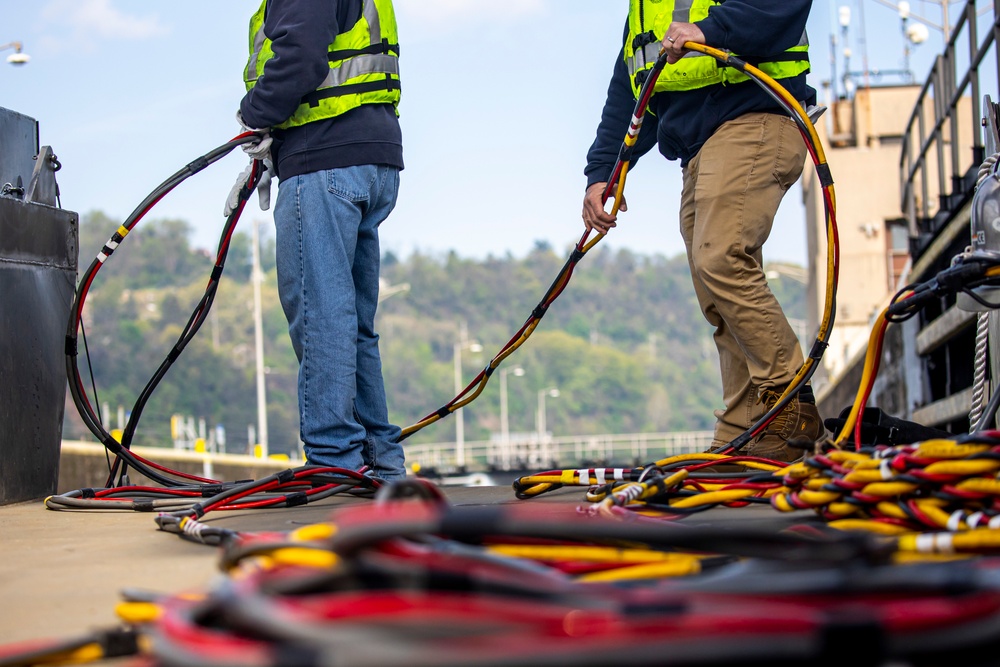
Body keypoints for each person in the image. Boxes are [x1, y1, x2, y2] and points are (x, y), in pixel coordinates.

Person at [581, 0, 824, 462]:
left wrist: (708, 30)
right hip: (698, 146)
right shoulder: (645, 11)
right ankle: (745, 428)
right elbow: (630, 92)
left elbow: (781, 7)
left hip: (754, 117)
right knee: (715, 290)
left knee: (721, 256)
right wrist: (604, 171)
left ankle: (789, 407)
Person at [229, 0, 406, 480]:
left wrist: (254, 115)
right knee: (351, 322)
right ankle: (379, 460)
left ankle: (335, 462)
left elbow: (303, 56)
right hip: (371, 158)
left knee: (321, 313)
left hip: (324, 158)